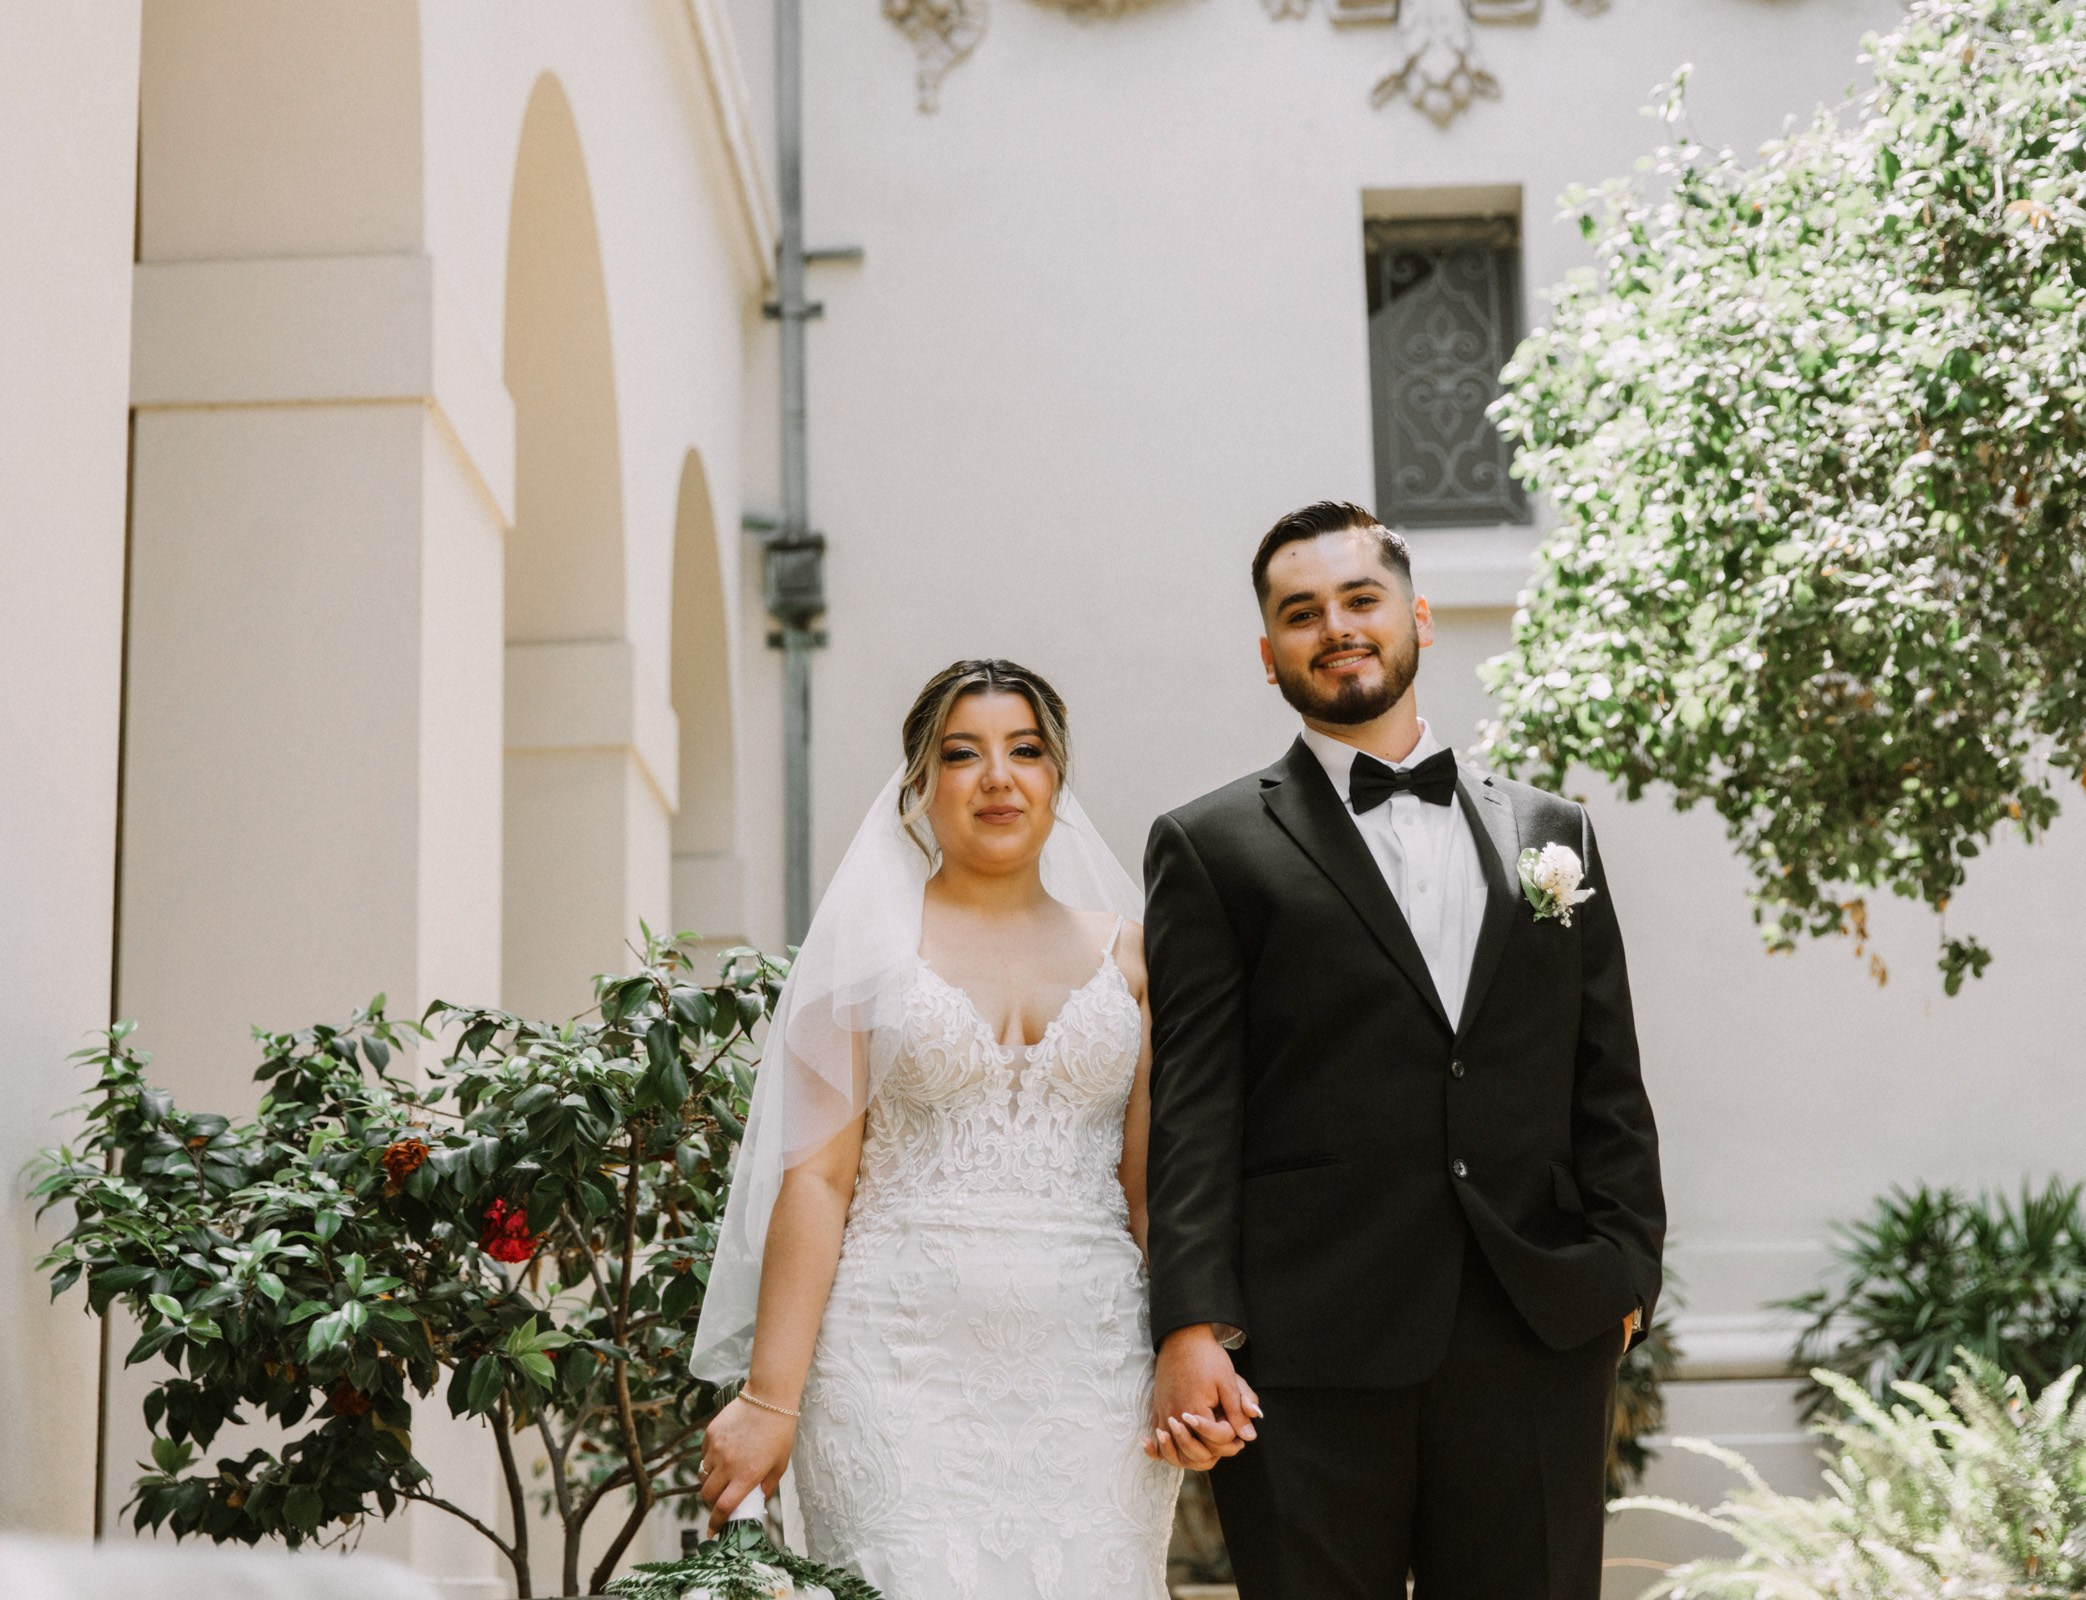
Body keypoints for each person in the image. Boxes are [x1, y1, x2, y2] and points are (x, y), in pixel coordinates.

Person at [1142, 501, 1668, 1600]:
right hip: (1309, 1344)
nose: (1336, 625)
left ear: (1417, 616)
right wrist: (1193, 1323)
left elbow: (1605, 1073)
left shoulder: (1552, 833)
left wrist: (1625, 1265)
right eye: (1302, 612)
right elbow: (1197, 1101)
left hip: (1533, 1329)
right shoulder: (1211, 845)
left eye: (1360, 598)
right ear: (1269, 652)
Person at [690, 659, 1234, 1598]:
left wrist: (1200, 1344)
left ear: (1057, 777)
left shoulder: (1135, 959)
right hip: (890, 1363)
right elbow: (817, 1183)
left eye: (1025, 751)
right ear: (917, 783)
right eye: (962, 754)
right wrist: (767, 1400)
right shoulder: (860, 962)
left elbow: (1151, 1192)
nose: (998, 777)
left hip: (1092, 1371)